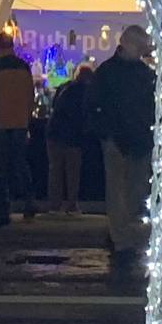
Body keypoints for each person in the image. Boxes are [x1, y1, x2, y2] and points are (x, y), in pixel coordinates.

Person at [89, 26, 157, 255]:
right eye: (139, 47)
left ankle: (121, 230)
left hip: (132, 138)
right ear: (128, 44)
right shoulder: (129, 73)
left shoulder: (133, 72)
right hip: (121, 138)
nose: (141, 51)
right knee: (122, 188)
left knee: (130, 188)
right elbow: (94, 105)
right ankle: (121, 233)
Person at [0, 35, 38, 220]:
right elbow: (30, 96)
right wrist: (27, 118)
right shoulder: (24, 67)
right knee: (20, 163)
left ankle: (3, 204)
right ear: (13, 46)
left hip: (0, 122)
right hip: (19, 122)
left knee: (1, 165)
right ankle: (28, 200)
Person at [43, 61, 96, 215]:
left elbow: (54, 107)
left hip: (54, 132)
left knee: (55, 170)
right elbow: (86, 115)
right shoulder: (86, 92)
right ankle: (71, 204)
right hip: (73, 135)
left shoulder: (64, 87)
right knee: (72, 172)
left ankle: (54, 204)